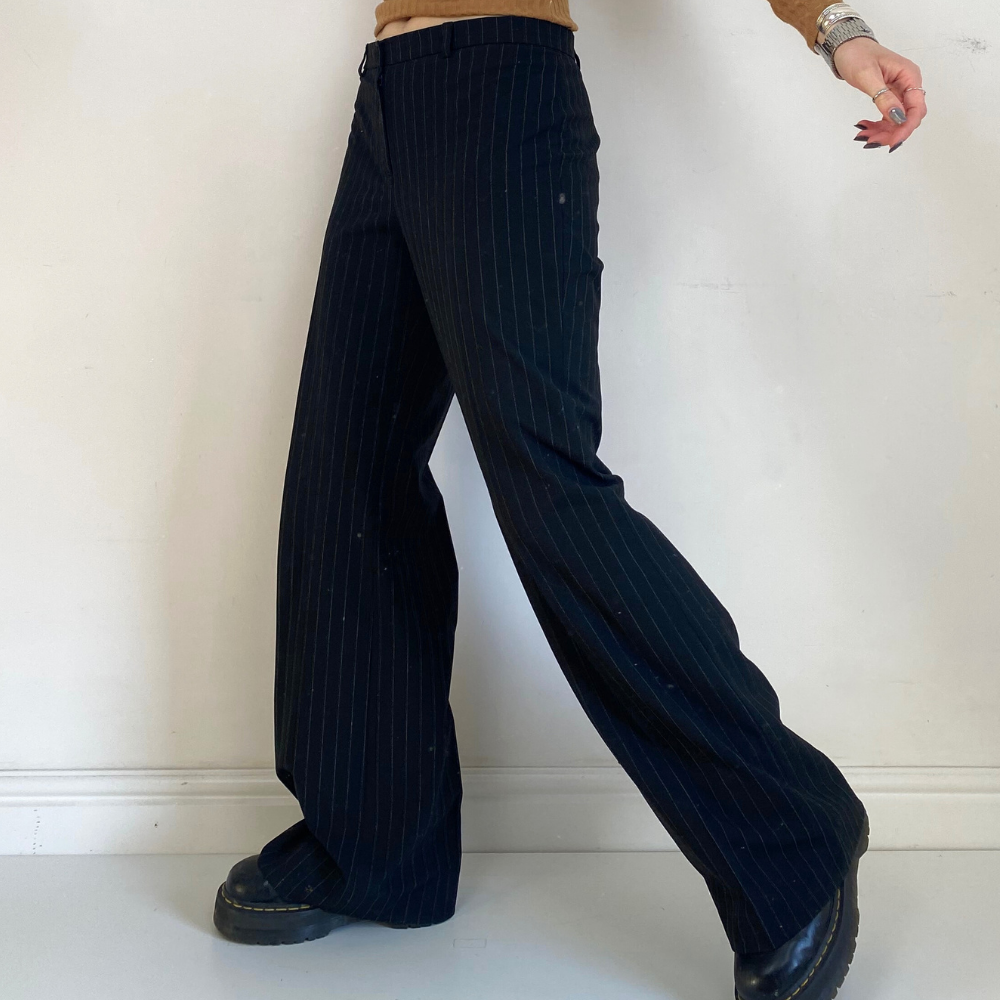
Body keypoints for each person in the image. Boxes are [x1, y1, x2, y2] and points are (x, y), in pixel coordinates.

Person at [212, 4, 926, 998]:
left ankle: (790, 834)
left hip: (501, 83)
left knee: (546, 479)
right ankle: (371, 844)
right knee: (348, 467)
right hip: (391, 94)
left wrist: (837, 30)